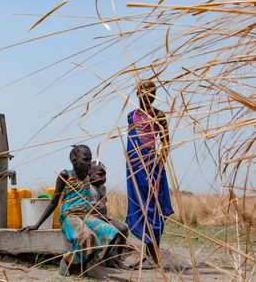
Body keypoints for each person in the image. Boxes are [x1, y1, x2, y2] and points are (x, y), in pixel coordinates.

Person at [20, 145, 122, 276]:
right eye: (85, 159)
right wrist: (37, 225)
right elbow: (53, 202)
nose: (89, 163)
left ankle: (83, 263)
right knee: (86, 236)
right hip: (69, 216)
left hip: (85, 216)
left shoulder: (88, 176)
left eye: (90, 159)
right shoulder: (65, 175)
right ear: (74, 161)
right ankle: (67, 260)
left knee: (112, 233)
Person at [125, 81, 174, 268]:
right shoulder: (131, 116)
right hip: (134, 169)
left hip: (151, 168)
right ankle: (148, 255)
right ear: (138, 93)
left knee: (152, 209)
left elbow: (166, 143)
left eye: (153, 93)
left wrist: (159, 164)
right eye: (146, 93)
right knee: (139, 207)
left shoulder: (159, 115)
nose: (150, 96)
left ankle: (154, 256)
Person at [88, 161, 130, 269]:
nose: (103, 177)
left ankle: (116, 258)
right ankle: (107, 259)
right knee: (112, 232)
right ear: (90, 175)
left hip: (103, 218)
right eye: (100, 174)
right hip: (91, 219)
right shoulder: (86, 188)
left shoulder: (102, 188)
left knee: (123, 229)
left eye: (105, 175)